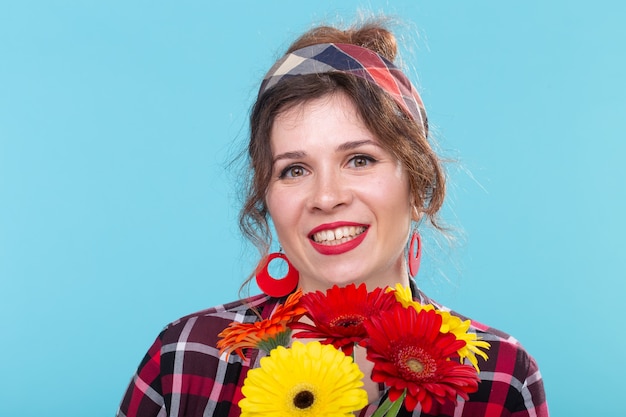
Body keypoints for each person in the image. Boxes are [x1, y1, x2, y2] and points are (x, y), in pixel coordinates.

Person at [117, 20, 548, 417]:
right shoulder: (185, 358)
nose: (325, 197)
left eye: (360, 159)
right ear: (266, 198)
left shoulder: (500, 376)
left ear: (418, 188)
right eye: (294, 170)